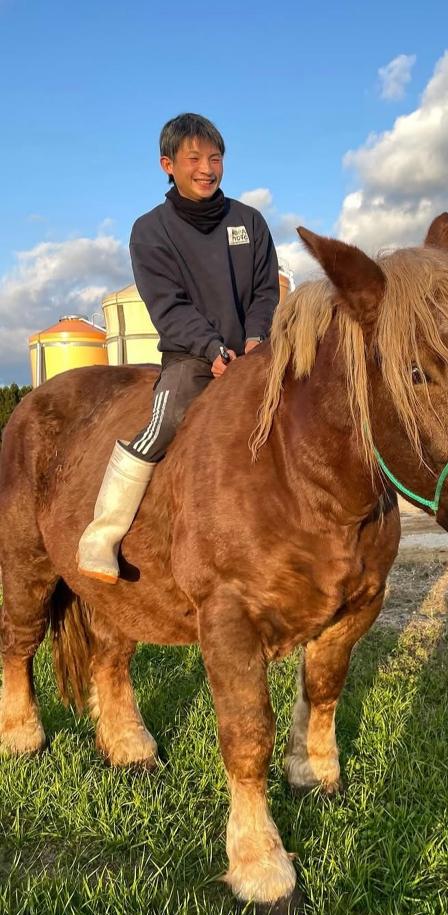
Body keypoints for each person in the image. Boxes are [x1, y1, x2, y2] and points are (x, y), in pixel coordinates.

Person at [78, 112, 280, 583]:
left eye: (215, 157)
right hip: (191, 358)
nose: (207, 168)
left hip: (255, 353)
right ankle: (102, 535)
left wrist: (255, 339)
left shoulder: (249, 222)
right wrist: (211, 348)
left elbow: (266, 292)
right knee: (163, 422)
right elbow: (166, 304)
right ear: (168, 164)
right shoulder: (151, 230)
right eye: (194, 158)